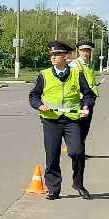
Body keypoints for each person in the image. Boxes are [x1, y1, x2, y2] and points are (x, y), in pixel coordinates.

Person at [29, 40, 96, 200]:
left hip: (72, 120)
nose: (53, 57)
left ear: (66, 56)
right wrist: (40, 105)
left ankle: (78, 184)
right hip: (51, 121)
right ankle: (53, 188)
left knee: (77, 152)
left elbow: (89, 94)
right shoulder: (44, 75)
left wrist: (86, 106)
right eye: (51, 54)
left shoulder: (76, 74)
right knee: (52, 155)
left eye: (57, 54)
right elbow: (33, 96)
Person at [70, 40, 101, 145]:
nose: (85, 53)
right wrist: (78, 92)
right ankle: (77, 149)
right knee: (79, 125)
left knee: (85, 126)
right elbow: (71, 81)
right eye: (82, 51)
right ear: (78, 51)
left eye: (87, 51)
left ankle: (81, 148)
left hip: (90, 97)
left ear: (90, 52)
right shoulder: (75, 64)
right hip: (80, 98)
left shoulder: (89, 64)